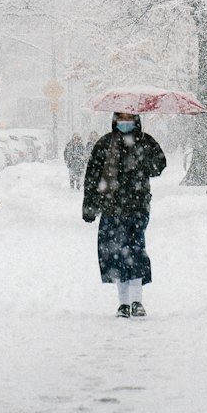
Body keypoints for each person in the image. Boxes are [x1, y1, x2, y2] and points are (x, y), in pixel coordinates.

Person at [82, 111, 166, 318]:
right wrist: (90, 206)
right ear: (114, 120)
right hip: (112, 208)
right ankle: (123, 303)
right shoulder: (104, 144)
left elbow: (160, 164)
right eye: (121, 119)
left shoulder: (145, 141)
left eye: (129, 119)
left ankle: (137, 300)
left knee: (136, 250)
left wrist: (142, 163)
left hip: (138, 206)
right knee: (115, 253)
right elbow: (92, 176)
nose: (125, 123)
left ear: (136, 120)